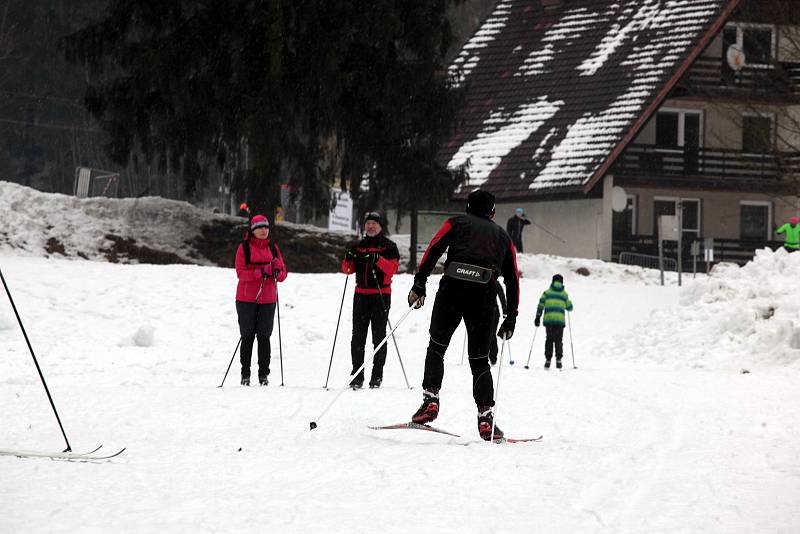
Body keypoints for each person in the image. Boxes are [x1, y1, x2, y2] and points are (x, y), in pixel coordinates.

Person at [407, 190, 520, 441]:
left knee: (437, 346)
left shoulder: (456, 222)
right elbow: (513, 278)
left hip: (453, 289)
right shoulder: (503, 237)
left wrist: (419, 284)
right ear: (493, 212)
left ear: (468, 207)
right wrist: (510, 316)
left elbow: (433, 250)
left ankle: (430, 401)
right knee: (479, 358)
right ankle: (485, 417)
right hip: (484, 295)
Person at [341, 211, 400, 389]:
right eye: (368, 224)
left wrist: (379, 259)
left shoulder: (389, 246)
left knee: (379, 336)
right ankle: (357, 374)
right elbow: (347, 270)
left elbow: (392, 269)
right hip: (360, 295)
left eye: (374, 223)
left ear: (381, 227)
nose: (371, 226)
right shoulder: (358, 245)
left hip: (381, 295)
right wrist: (348, 257)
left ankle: (377, 375)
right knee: (357, 337)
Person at [234, 214, 287, 386]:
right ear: (253, 230)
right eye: (259, 228)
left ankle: (264, 375)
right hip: (246, 299)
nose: (264, 230)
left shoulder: (273, 247)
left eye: (266, 227)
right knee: (247, 336)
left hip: (268, 299)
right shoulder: (244, 248)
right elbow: (240, 274)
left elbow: (283, 274)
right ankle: (245, 374)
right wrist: (262, 271)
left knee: (264, 337)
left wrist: (278, 272)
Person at [534, 274, 573, 370]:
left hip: (549, 320)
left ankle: (548, 360)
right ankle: (559, 360)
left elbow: (540, 305)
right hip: (559, 321)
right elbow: (570, 307)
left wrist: (538, 317)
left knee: (549, 340)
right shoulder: (564, 294)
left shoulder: (547, 293)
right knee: (558, 340)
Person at [489, 280, 507, 365]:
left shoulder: (494, 282)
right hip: (490, 311)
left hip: (492, 312)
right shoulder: (495, 282)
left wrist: (505, 310)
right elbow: (502, 296)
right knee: (490, 334)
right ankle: (491, 357)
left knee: (490, 334)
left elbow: (501, 296)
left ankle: (492, 357)